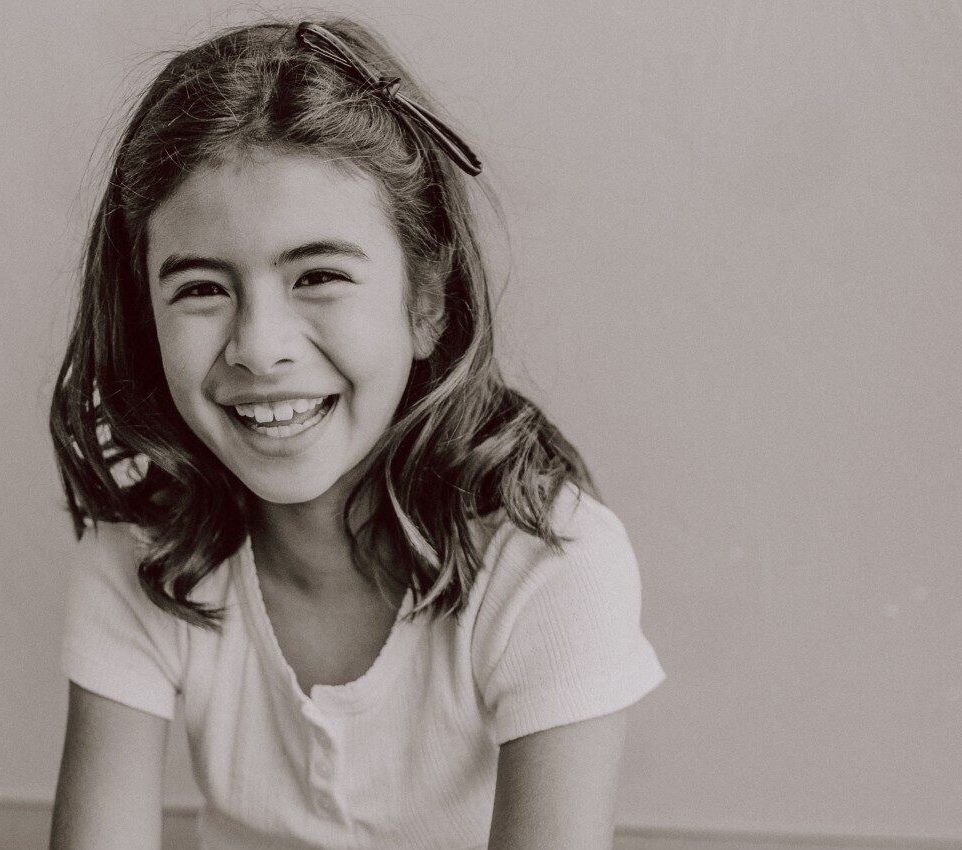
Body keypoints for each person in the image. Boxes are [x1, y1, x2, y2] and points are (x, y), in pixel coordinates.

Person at [47, 16, 665, 850]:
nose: (259, 347)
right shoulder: (143, 552)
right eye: (201, 289)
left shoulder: (548, 563)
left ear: (426, 302)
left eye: (319, 276)